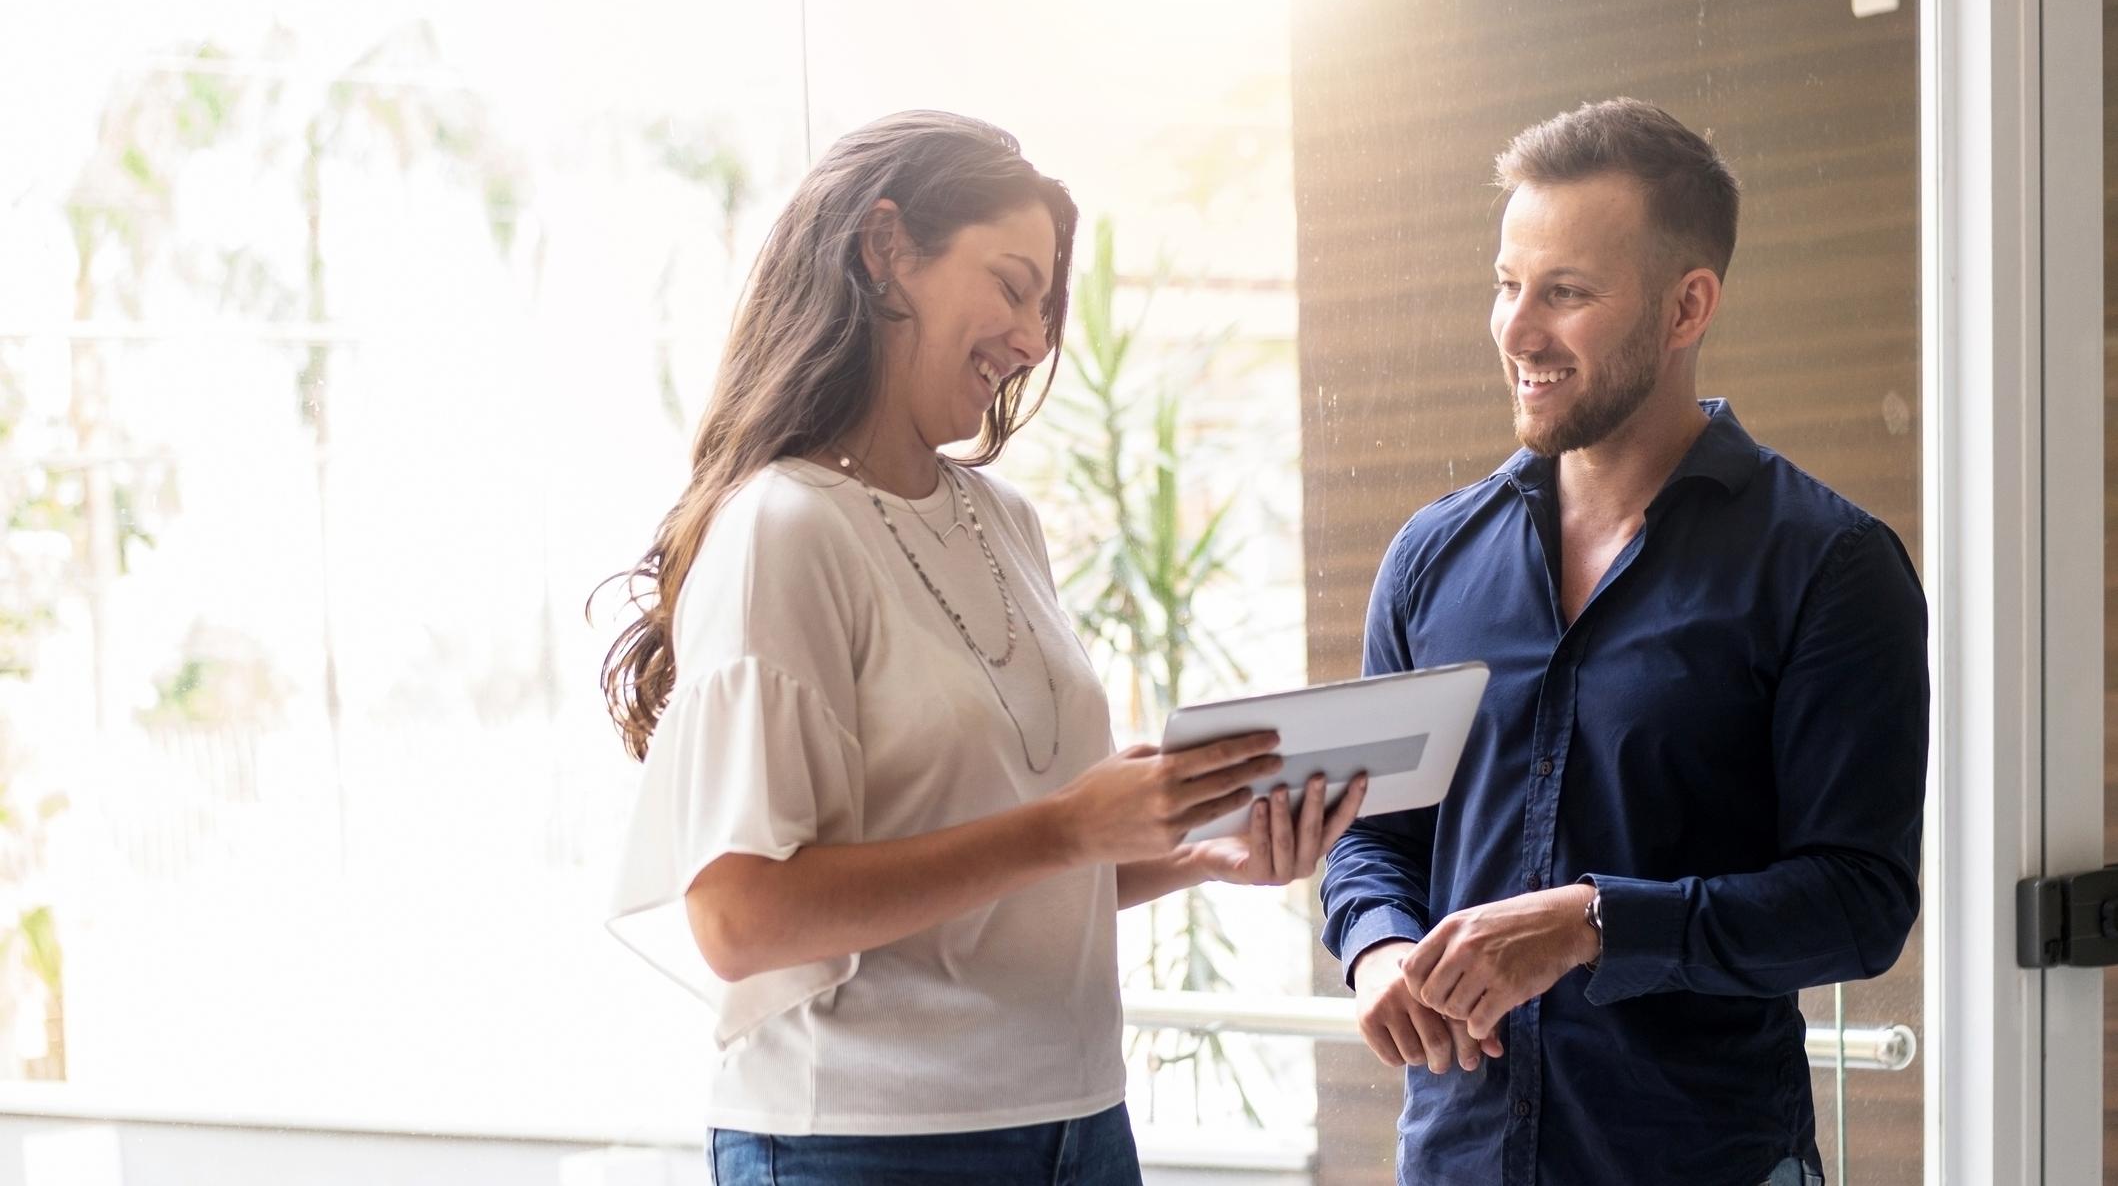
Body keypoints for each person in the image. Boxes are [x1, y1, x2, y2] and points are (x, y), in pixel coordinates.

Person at [598, 110, 1367, 1186]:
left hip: (1080, 1126)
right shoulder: (785, 527)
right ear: (885, 249)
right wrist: (1063, 830)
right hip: (867, 1144)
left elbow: (995, 884)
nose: (1037, 335)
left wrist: (1192, 853)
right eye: (1012, 285)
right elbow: (738, 917)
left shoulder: (1003, 523)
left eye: (1047, 304)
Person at [1319, 98, 1928, 1186]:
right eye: (1508, 286)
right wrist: (1376, 953)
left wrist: (1597, 924)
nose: (1516, 330)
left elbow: (1858, 904)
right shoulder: (1430, 558)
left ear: (1688, 305)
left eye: (1566, 293)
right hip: (1458, 1161)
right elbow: (1374, 841)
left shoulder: (1831, 568)